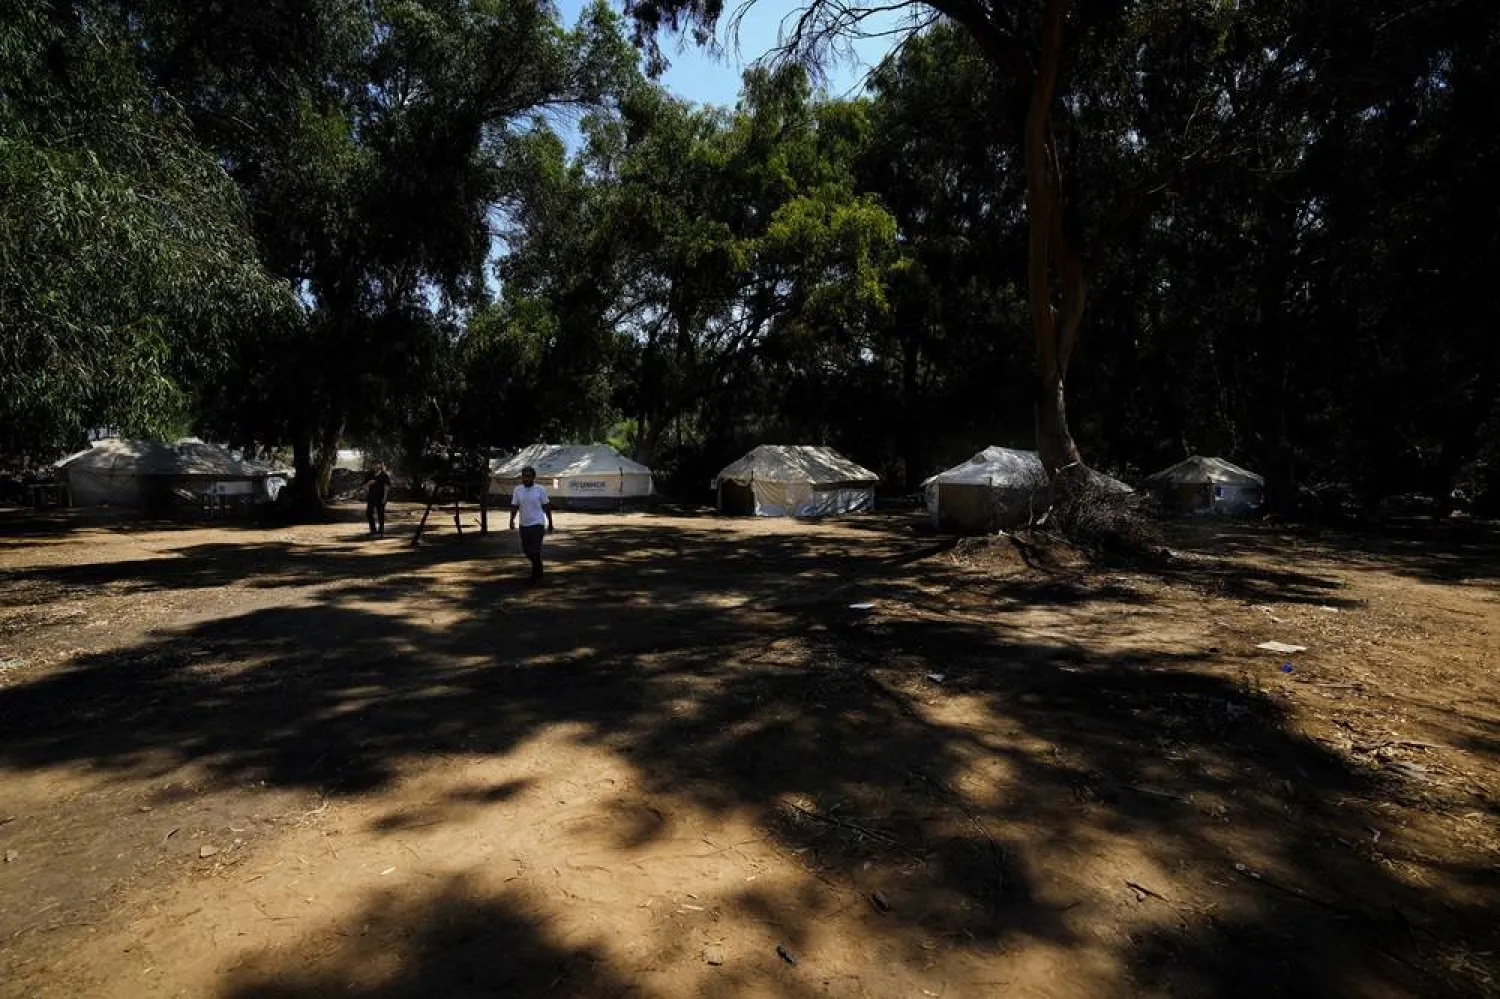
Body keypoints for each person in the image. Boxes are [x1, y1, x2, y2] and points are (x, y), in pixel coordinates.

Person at [509, 465, 554, 583]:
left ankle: (535, 575)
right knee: (527, 550)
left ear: (533, 477)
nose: (525, 479)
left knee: (534, 550)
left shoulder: (540, 489)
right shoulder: (517, 490)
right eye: (523, 476)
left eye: (528, 476)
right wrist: (511, 520)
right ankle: (538, 566)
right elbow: (514, 506)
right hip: (524, 524)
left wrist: (550, 523)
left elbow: (546, 507)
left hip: (537, 523)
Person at [364, 462, 391, 537]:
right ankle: (373, 530)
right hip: (371, 497)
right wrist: (369, 483)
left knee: (380, 514)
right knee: (369, 513)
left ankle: (381, 531)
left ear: (380, 465)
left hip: (381, 497)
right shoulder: (369, 475)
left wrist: (384, 498)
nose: (375, 466)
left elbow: (386, 487)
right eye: (373, 464)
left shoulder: (384, 475)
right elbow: (364, 487)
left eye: (377, 464)